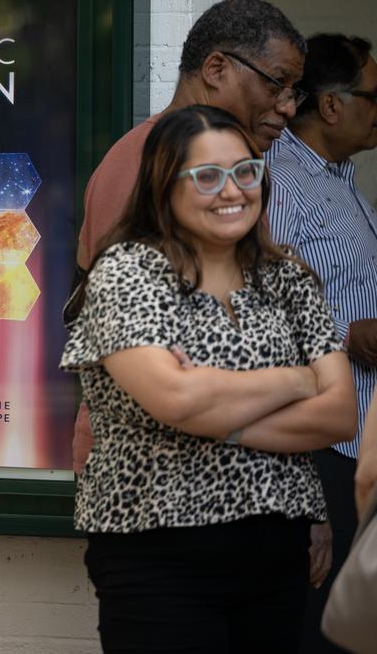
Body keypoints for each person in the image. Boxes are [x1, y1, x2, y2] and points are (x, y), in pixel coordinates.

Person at [62, 104, 356, 652]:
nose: (233, 191)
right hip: (157, 550)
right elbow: (175, 397)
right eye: (207, 176)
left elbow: (340, 414)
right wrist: (297, 381)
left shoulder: (287, 277)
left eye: (246, 172)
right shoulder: (128, 274)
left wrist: (216, 414)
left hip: (276, 550)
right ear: (163, 185)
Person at [72, 0, 308, 472]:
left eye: (294, 91)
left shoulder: (224, 165)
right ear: (217, 68)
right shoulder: (146, 160)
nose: (286, 107)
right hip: (156, 476)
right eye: (277, 83)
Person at [265, 33, 377, 653]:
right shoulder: (280, 182)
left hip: (358, 440)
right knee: (316, 631)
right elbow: (261, 305)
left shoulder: (343, 181)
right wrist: (347, 337)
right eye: (373, 96)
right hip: (320, 448)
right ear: (331, 105)